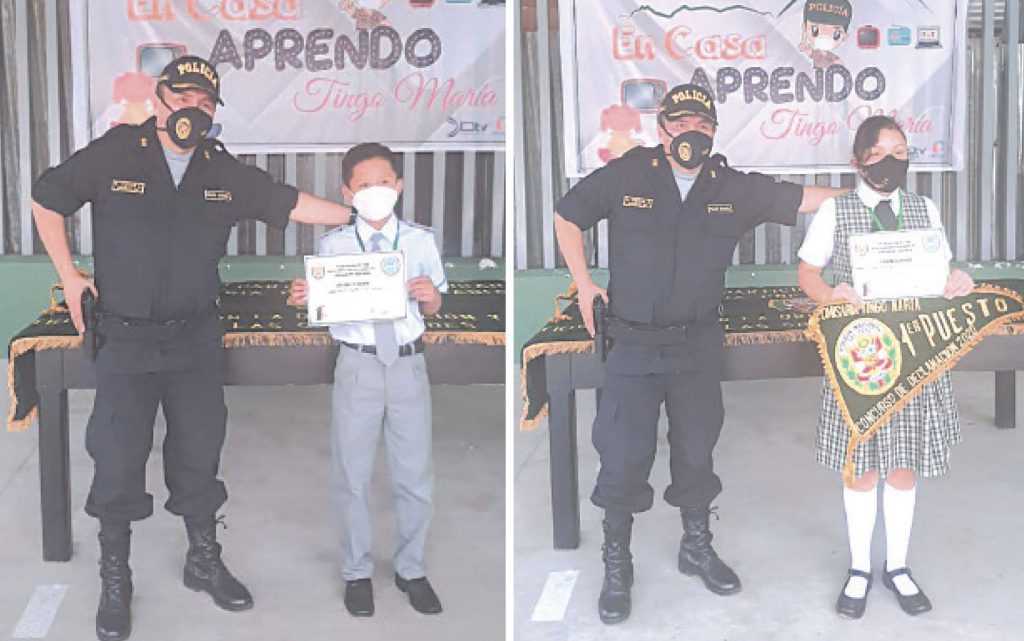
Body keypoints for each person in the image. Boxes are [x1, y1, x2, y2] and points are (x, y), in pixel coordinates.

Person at [30, 55, 352, 641]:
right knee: (117, 457)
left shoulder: (219, 169)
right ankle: (115, 577)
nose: (193, 110)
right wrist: (69, 276)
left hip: (195, 340)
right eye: (184, 98)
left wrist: (363, 215)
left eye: (205, 103)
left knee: (199, 452)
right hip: (125, 340)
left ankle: (202, 561)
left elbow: (290, 203)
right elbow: (46, 198)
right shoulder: (115, 154)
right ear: (160, 99)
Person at [553, 83, 844, 624]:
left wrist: (868, 192)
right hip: (632, 346)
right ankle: (618, 562)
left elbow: (803, 197)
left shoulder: (730, 186)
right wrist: (584, 283)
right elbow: (567, 215)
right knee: (622, 454)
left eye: (703, 125)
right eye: (682, 123)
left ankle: (696, 547)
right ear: (662, 128)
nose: (693, 133)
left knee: (696, 450)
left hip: (696, 345)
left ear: (714, 132)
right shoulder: (627, 174)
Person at [797, 115, 974, 619]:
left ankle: (897, 566)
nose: (890, 162)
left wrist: (957, 280)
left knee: (902, 465)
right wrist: (830, 295)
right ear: (857, 162)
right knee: (862, 468)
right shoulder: (836, 211)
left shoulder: (924, 208)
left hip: (917, 354)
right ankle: (859, 568)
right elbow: (807, 272)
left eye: (899, 152)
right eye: (878, 154)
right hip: (860, 360)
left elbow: (942, 274)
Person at [289, 143, 447, 618]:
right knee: (352, 473)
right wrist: (305, 297)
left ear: (398, 187)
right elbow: (325, 301)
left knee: (414, 474)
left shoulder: (420, 241)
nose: (375, 191)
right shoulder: (333, 246)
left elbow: (435, 304)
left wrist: (429, 296)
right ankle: (356, 571)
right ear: (347, 193)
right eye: (364, 185)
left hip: (407, 366)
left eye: (383, 182)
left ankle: (411, 569)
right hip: (357, 366)